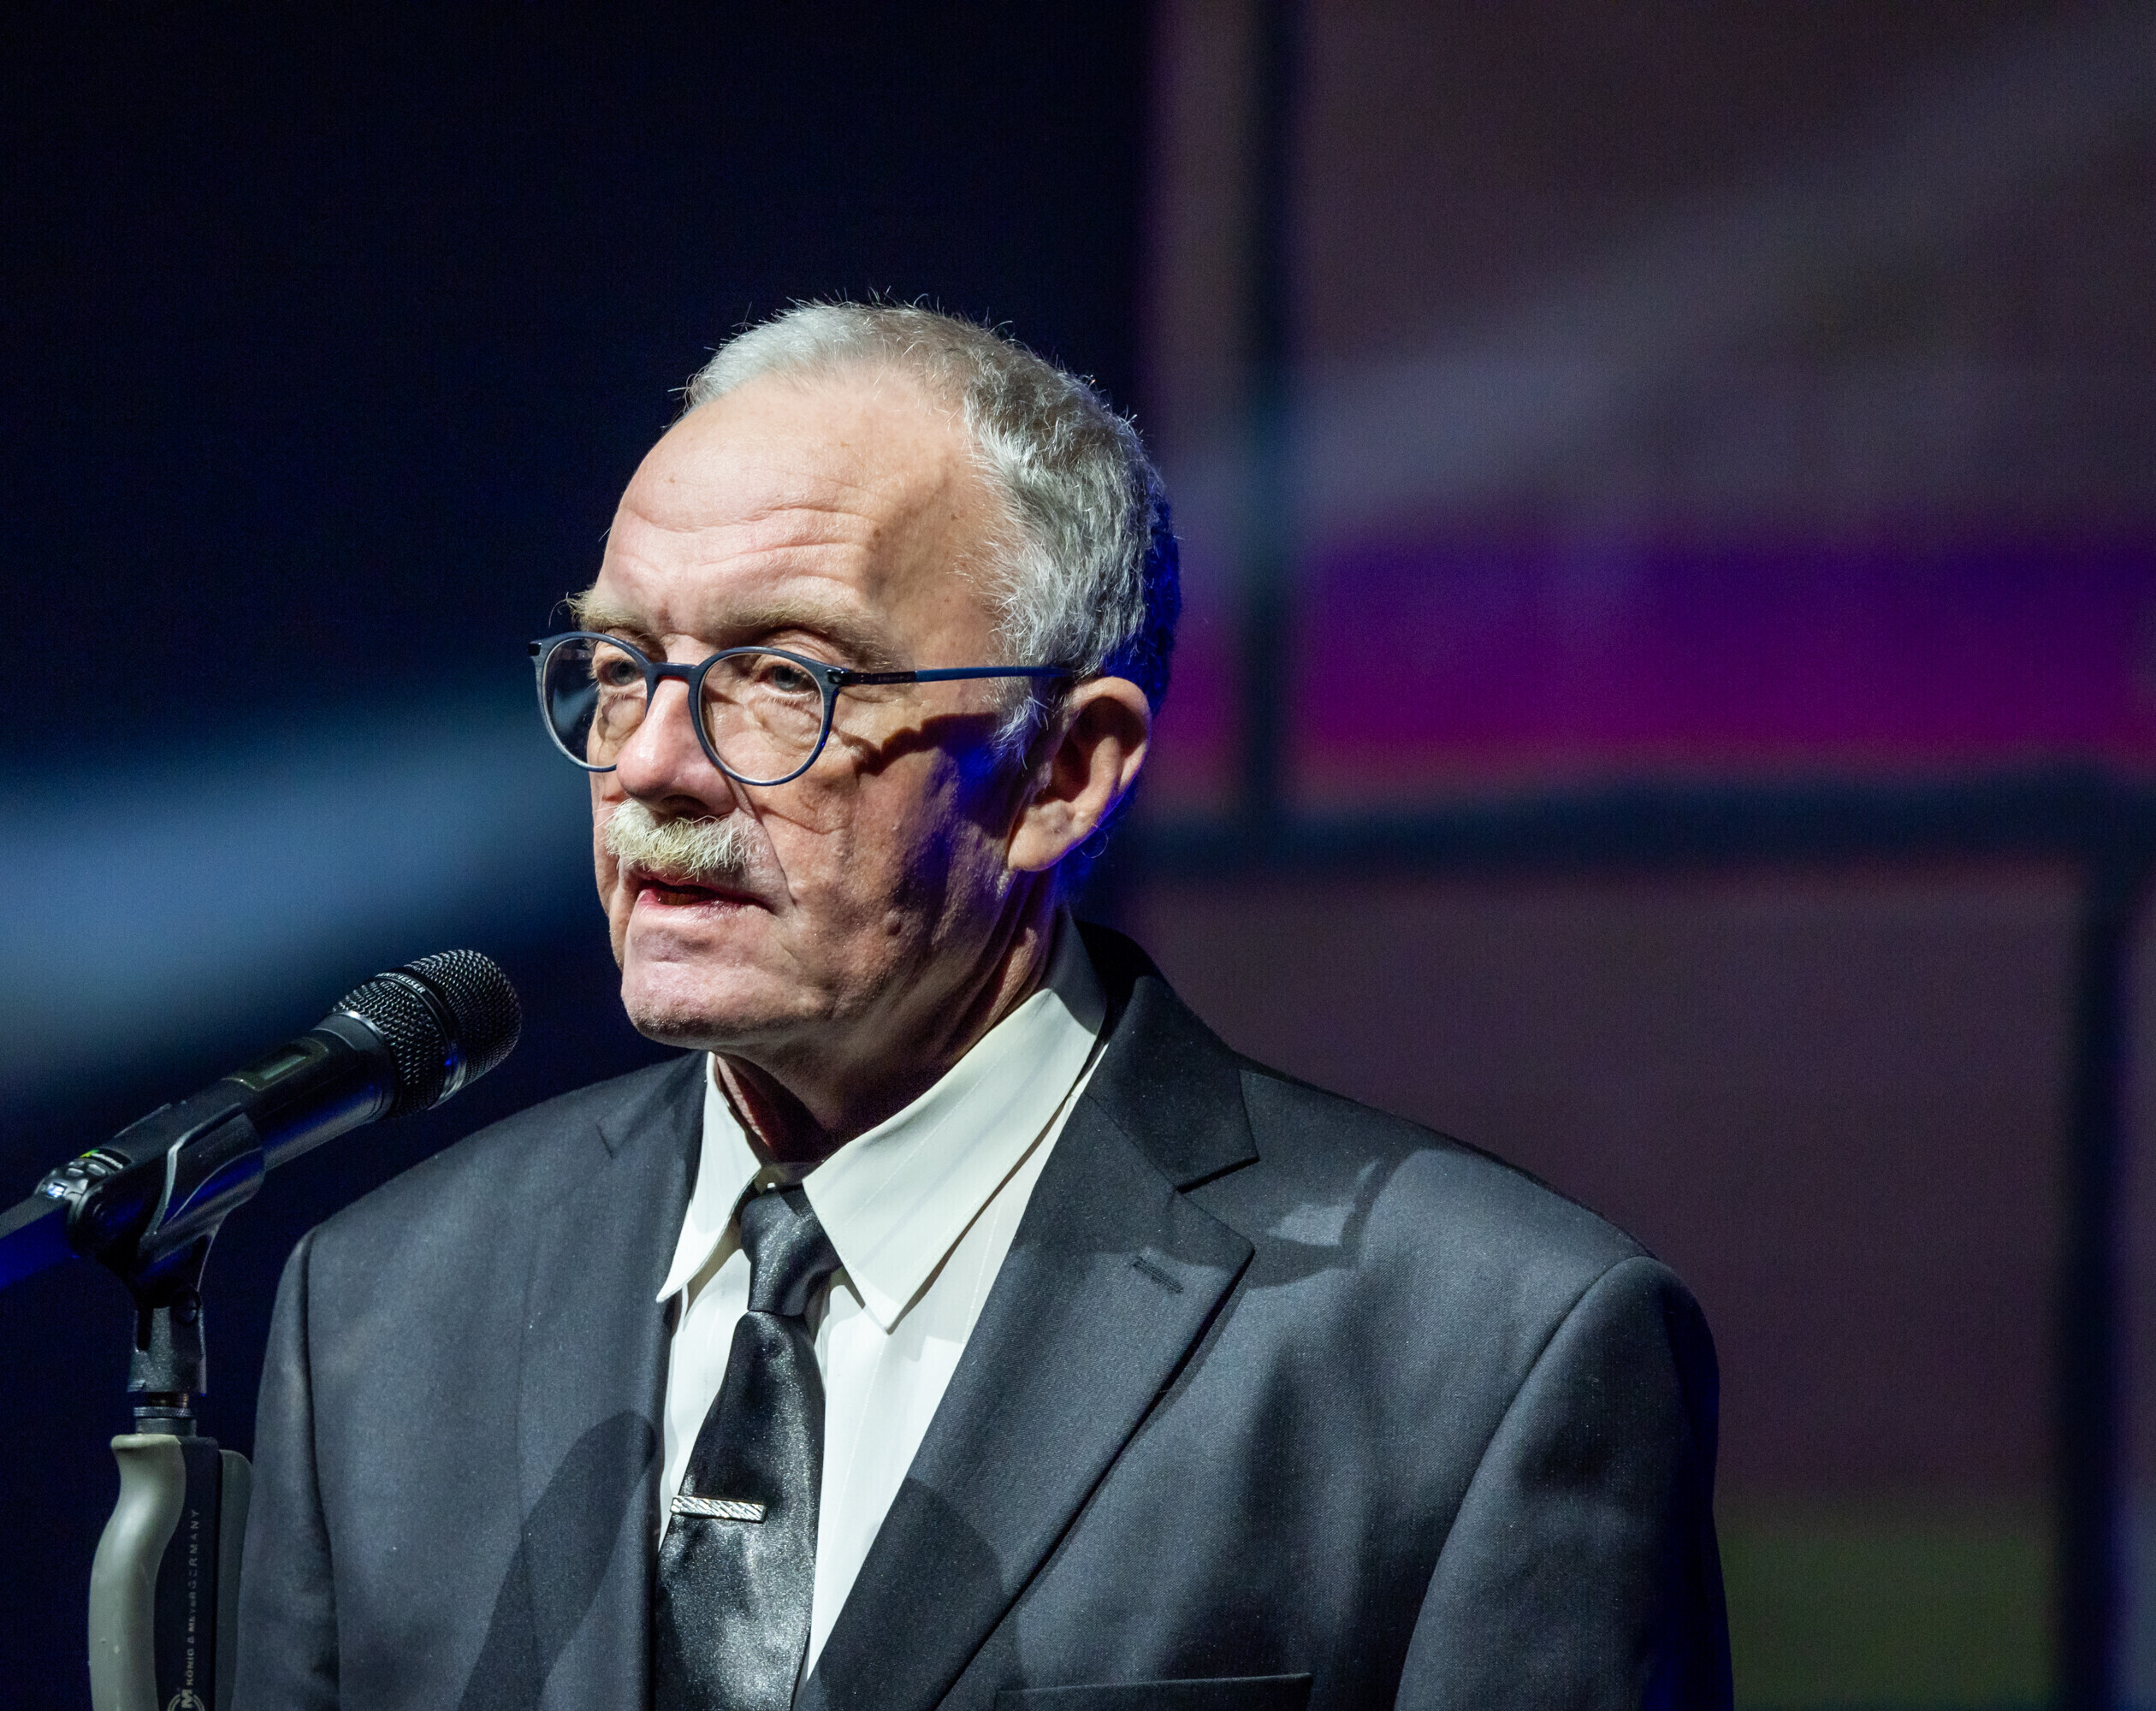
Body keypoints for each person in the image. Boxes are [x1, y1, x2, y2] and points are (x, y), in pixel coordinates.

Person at [238, 304, 1731, 1711]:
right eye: (622, 667)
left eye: (782, 675)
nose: (652, 764)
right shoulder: (381, 1310)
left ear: (1060, 773)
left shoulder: (1484, 1348)